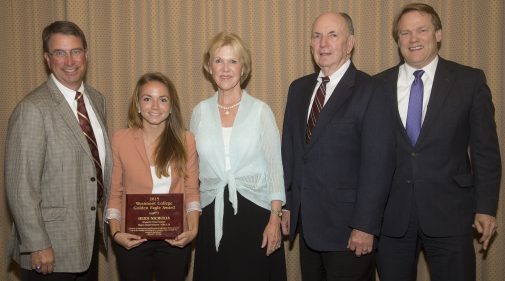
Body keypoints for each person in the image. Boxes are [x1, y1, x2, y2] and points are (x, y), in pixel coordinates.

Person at [375, 3, 502, 281]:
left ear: (439, 34)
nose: (413, 39)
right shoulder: (377, 85)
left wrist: (486, 207)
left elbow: (486, 152)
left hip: (451, 214)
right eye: (405, 33)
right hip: (391, 218)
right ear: (398, 40)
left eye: (422, 30)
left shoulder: (469, 81)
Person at [281, 12, 396, 281]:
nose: (323, 43)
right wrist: (288, 206)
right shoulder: (298, 89)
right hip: (308, 228)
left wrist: (365, 226)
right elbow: (291, 153)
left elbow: (379, 164)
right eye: (317, 36)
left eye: (333, 35)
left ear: (350, 43)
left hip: (350, 233)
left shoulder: (372, 90)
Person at [5, 21, 112, 280]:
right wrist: (37, 244)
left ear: (86, 54)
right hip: (50, 249)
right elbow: (20, 188)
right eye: (59, 53)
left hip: (87, 243)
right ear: (47, 58)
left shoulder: (97, 100)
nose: (69, 60)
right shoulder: (32, 109)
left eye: (75, 51)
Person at [190, 32, 286, 281]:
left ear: (243, 68)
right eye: (219, 60)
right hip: (211, 214)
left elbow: (276, 170)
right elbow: (190, 171)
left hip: (256, 216)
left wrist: (274, 220)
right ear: (209, 66)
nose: (225, 68)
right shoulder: (199, 112)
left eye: (233, 61)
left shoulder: (260, 112)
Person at [106, 72, 200, 281]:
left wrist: (193, 230)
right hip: (131, 239)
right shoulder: (121, 139)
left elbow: (192, 191)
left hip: (175, 239)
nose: (155, 107)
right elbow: (115, 192)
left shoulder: (186, 140)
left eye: (163, 99)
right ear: (138, 105)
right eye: (147, 99)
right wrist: (115, 233)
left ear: (171, 106)